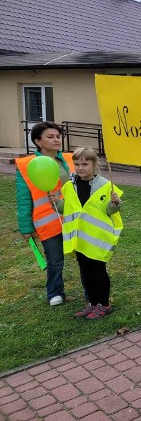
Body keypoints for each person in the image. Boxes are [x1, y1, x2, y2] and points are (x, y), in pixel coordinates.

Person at [50, 147, 122, 319]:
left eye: (85, 164)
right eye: (77, 164)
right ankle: (92, 303)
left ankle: (103, 304)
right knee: (85, 271)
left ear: (94, 164)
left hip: (97, 237)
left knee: (98, 270)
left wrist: (115, 203)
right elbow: (67, 209)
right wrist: (56, 203)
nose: (80, 168)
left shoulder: (105, 185)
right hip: (79, 238)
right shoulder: (69, 186)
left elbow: (110, 210)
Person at [15, 121, 75, 306]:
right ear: (38, 141)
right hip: (48, 221)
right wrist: (26, 227)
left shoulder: (71, 159)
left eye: (58, 136)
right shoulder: (26, 165)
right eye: (50, 137)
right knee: (55, 260)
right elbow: (23, 198)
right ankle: (55, 292)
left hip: (74, 217)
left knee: (84, 256)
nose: (56, 140)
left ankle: (91, 291)